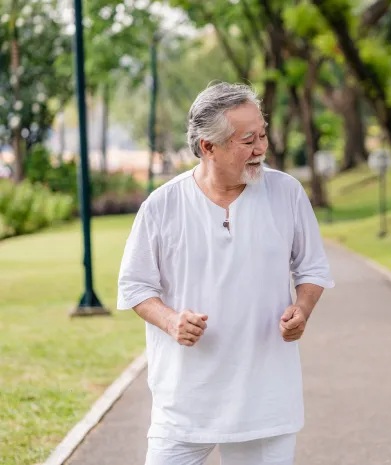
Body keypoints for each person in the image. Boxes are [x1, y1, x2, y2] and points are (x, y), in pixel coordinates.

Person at [117, 82, 334, 465]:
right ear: (207, 147)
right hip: (184, 401)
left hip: (265, 400)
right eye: (247, 139)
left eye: (263, 135)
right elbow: (135, 284)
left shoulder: (287, 193)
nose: (261, 148)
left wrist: (302, 308)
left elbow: (312, 267)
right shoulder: (162, 205)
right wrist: (170, 321)